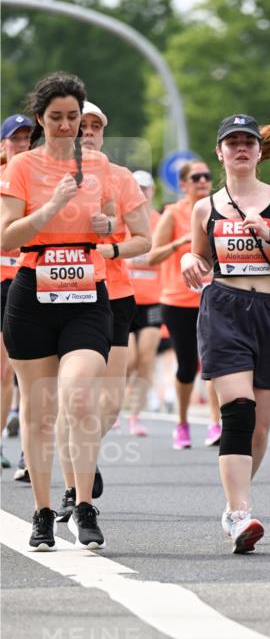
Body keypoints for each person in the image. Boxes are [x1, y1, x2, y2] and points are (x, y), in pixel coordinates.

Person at [181, 113, 270, 552]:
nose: (240, 148)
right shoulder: (205, 207)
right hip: (224, 308)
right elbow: (197, 256)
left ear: (260, 151)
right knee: (237, 413)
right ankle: (241, 513)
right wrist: (188, 260)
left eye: (248, 142)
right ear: (219, 151)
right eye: (232, 142)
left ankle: (234, 503)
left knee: (259, 427)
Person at [0, 72, 117, 549]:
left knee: (80, 395)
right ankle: (42, 512)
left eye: (74, 117)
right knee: (38, 410)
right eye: (56, 118)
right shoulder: (22, 167)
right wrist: (50, 207)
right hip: (32, 290)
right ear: (41, 119)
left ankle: (84, 504)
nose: (67, 126)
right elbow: (7, 236)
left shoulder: (102, 165)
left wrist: (108, 225)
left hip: (88, 292)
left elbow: (117, 229)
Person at [54, 101, 151, 524]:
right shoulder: (48, 174)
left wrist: (108, 246)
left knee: (109, 402)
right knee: (72, 399)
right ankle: (73, 489)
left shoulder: (119, 176)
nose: (88, 132)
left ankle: (85, 454)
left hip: (115, 292)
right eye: (82, 125)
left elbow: (141, 239)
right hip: (64, 295)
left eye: (95, 126)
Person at [148, 159, 221, 449]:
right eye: (196, 177)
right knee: (187, 365)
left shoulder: (220, 210)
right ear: (183, 184)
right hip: (178, 299)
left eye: (206, 176)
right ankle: (182, 423)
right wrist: (183, 242)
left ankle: (216, 424)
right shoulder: (173, 213)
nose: (202, 181)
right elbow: (153, 256)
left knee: (215, 362)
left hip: (214, 296)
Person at [1, 113, 34, 471]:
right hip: (1, 282)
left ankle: (30, 450)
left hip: (30, 280)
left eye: (27, 138)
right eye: (15, 138)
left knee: (30, 370)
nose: (22, 144)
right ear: (4, 144)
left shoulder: (40, 180)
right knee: (2, 370)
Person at [125, 170, 164, 435]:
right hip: (125, 298)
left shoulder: (160, 221)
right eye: (136, 188)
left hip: (153, 299)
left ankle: (135, 416)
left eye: (145, 188)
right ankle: (113, 406)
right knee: (127, 359)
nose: (141, 193)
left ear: (152, 192)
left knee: (146, 359)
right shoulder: (121, 220)